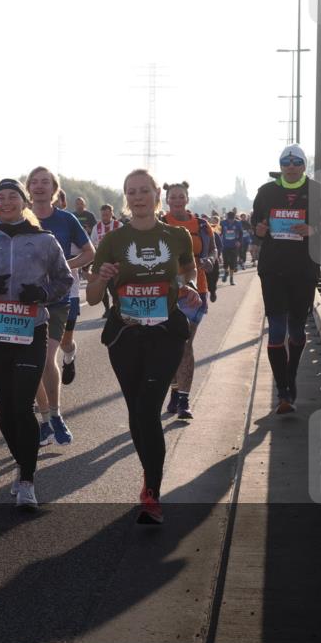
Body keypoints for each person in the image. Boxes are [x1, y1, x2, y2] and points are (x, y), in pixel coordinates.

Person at [86, 169, 199, 524]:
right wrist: (101, 279)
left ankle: (152, 491)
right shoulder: (114, 240)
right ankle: (149, 477)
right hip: (126, 336)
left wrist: (185, 286)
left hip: (165, 333)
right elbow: (91, 298)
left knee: (149, 407)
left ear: (156, 195)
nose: (138, 197)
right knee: (137, 411)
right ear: (126, 197)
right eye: (131, 192)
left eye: (144, 191)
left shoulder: (176, 235)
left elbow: (188, 271)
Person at [0, 179, 73, 508]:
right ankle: (21, 460)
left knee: (22, 406)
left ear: (23, 202)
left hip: (31, 330)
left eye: (12, 196)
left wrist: (43, 295)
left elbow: (65, 280)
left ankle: (27, 480)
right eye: (1, 197)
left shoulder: (44, 241)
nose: (6, 201)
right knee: (7, 413)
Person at [251, 143, 321, 414]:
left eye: (296, 162)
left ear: (304, 165)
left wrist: (313, 229)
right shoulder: (265, 192)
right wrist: (259, 228)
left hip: (304, 271)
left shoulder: (318, 192)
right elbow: (255, 225)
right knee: (277, 329)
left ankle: (290, 380)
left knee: (297, 329)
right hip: (273, 270)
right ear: (280, 166)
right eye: (285, 162)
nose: (290, 166)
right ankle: (283, 392)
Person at [26, 167, 94, 446]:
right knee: (31, 363)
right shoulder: (19, 218)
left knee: (45, 357)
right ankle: (44, 420)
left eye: (46, 182)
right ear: (28, 188)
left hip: (57, 298)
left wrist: (66, 265)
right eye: (35, 182)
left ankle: (54, 415)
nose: (40, 186)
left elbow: (90, 252)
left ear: (54, 188)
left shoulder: (66, 219)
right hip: (25, 301)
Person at [162, 182, 213, 420]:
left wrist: (209, 261)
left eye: (181, 197)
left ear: (187, 198)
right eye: (173, 197)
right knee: (169, 346)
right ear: (167, 200)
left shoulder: (201, 225)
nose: (177, 200)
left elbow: (213, 252)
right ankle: (173, 391)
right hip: (166, 292)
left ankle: (184, 399)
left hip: (195, 290)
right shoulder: (160, 224)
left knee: (185, 344)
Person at [89, 204, 122, 317]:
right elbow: (92, 244)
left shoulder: (119, 225)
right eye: (103, 215)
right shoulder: (96, 227)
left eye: (107, 214)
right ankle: (107, 309)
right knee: (103, 286)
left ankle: (117, 305)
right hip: (101, 261)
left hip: (116, 261)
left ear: (112, 214)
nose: (105, 217)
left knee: (115, 287)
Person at [220, 211, 243, 285]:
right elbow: (219, 233)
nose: (231, 221)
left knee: (232, 262)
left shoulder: (238, 223)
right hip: (225, 245)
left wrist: (239, 241)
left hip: (234, 246)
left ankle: (231, 279)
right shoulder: (222, 223)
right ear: (227, 217)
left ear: (234, 218)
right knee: (226, 261)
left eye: (232, 219)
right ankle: (226, 272)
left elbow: (241, 233)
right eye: (229, 219)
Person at [206, 215, 223, 303]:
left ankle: (213, 291)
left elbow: (219, 246)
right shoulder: (198, 234)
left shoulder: (214, 234)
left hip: (213, 259)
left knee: (214, 277)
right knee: (206, 279)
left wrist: (217, 255)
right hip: (202, 260)